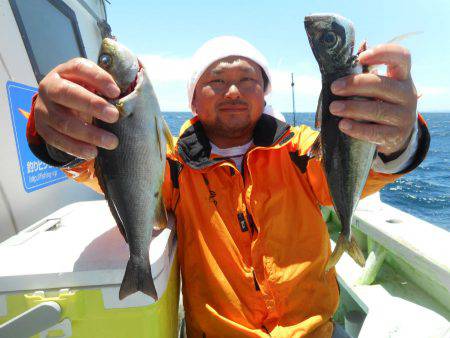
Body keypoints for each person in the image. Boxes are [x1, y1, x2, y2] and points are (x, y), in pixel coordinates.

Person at [27, 36, 429, 337]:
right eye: (216, 80)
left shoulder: (302, 151)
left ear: (264, 91)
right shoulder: (172, 167)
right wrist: (58, 139)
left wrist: (398, 138)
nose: (233, 90)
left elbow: (368, 169)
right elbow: (102, 170)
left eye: (247, 79)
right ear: (193, 100)